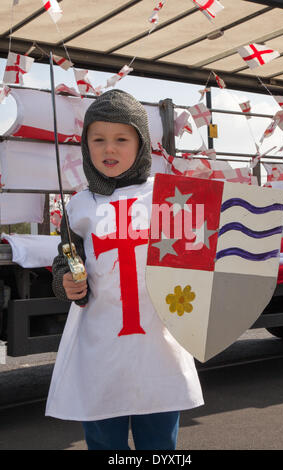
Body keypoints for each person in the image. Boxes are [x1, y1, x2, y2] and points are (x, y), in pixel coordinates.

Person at [45, 89, 204, 450]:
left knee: (159, 443)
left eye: (121, 138)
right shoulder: (79, 207)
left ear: (142, 143)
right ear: (86, 146)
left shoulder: (168, 197)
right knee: (103, 440)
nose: (109, 148)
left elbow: (194, 260)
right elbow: (65, 259)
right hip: (99, 346)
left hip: (159, 344)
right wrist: (64, 281)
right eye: (98, 139)